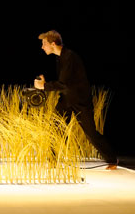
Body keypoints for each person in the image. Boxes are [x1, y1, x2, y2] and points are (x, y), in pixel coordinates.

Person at [34, 30, 118, 170]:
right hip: (66, 99)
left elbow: (64, 84)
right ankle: (52, 160)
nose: (42, 47)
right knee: (55, 128)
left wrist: (44, 86)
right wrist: (45, 84)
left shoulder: (70, 57)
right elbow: (65, 83)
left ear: (53, 44)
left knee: (91, 133)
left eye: (44, 44)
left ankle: (112, 159)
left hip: (80, 101)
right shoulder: (60, 57)